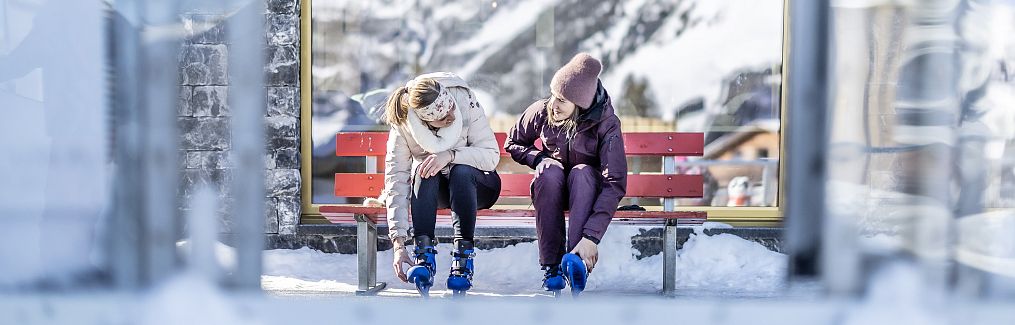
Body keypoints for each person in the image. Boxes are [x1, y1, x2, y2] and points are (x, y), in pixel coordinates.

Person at [505, 53, 628, 296]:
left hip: (585, 191)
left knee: (582, 173)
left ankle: (575, 261)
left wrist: (591, 237)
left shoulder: (606, 124)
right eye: (553, 95)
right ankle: (552, 268)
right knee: (549, 171)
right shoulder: (542, 111)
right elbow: (513, 142)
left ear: (579, 105)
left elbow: (614, 182)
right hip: (552, 190)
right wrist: (539, 158)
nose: (553, 104)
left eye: (562, 100)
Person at [380, 72, 501, 296]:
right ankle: (424, 257)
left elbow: (491, 156)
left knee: (461, 171)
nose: (452, 115)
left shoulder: (463, 99)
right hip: (440, 191)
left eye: (451, 108)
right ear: (425, 122)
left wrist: (450, 155)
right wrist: (398, 242)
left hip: (479, 185)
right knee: (424, 172)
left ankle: (463, 260)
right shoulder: (405, 125)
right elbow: (396, 177)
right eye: (443, 116)